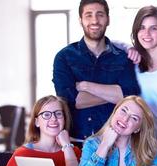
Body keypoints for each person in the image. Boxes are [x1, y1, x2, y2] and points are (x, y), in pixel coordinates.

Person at [53, 0, 140, 142]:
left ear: (108, 19)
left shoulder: (123, 58)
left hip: (116, 141)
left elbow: (130, 97)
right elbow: (71, 100)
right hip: (76, 141)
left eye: (100, 14)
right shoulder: (64, 57)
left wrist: (86, 87)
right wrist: (116, 93)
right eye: (88, 15)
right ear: (80, 20)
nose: (94, 20)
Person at [0, 95, 81, 166]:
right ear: (37, 122)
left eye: (58, 114)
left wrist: (67, 146)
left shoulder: (73, 152)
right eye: (46, 115)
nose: (54, 118)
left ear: (64, 119)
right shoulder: (23, 154)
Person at [77, 95, 157, 166]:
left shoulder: (148, 149)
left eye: (134, 118)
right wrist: (104, 146)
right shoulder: (92, 144)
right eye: (123, 110)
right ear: (115, 111)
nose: (125, 119)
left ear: (137, 129)